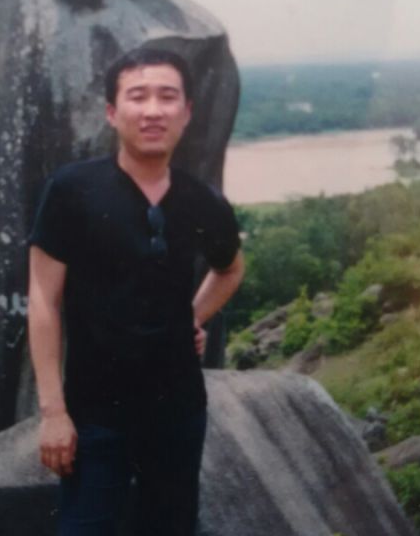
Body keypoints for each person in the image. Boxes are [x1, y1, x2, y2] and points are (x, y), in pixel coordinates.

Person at [28, 47, 245, 536]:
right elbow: (43, 300)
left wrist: (190, 318)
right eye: (137, 96)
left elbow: (230, 269)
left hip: (178, 411)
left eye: (167, 97)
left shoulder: (201, 201)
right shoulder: (73, 191)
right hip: (96, 414)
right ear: (112, 111)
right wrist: (53, 412)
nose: (153, 110)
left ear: (187, 112)